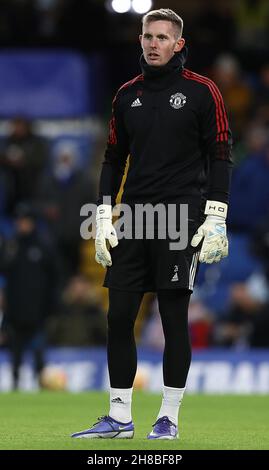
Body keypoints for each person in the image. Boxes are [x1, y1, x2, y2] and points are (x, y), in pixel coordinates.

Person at [72, 8, 232, 440]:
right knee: (119, 317)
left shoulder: (203, 91)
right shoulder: (126, 95)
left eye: (162, 37)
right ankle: (120, 417)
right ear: (140, 40)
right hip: (136, 218)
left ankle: (169, 418)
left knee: (173, 317)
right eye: (148, 36)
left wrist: (216, 214)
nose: (153, 43)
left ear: (178, 44)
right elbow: (112, 158)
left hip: (181, 216)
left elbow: (220, 152)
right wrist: (104, 212)